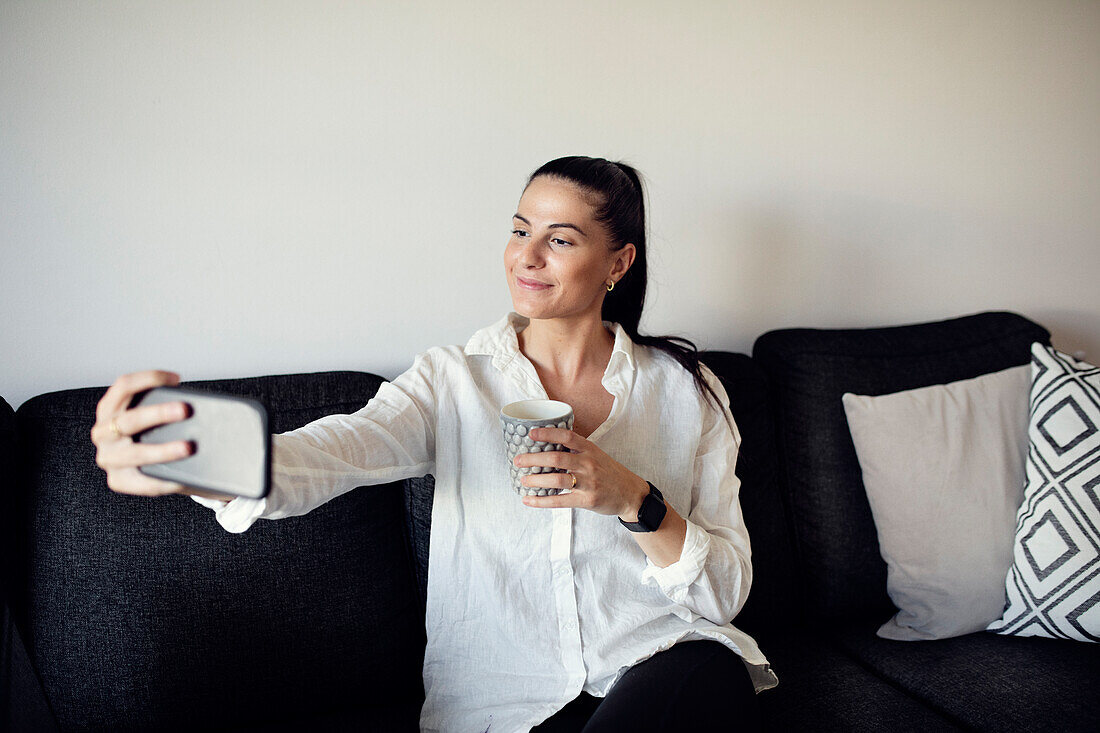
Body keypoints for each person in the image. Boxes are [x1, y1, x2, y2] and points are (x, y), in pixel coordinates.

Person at [90, 156, 776, 731]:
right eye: (518, 229)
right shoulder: (453, 379)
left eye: (559, 239)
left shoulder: (688, 390)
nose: (525, 256)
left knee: (701, 669)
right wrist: (197, 456)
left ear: (616, 262)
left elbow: (725, 593)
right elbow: (339, 448)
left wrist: (633, 496)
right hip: (505, 707)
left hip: (658, 665)